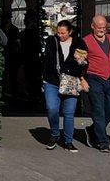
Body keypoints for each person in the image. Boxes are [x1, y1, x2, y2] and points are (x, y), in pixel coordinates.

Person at [42, 20, 89, 152]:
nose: (60, 35)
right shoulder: (52, 41)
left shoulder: (79, 43)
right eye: (58, 32)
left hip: (71, 81)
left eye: (63, 33)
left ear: (70, 32)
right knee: (52, 108)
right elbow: (47, 59)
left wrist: (80, 63)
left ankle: (68, 141)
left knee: (69, 113)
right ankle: (55, 134)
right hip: (52, 81)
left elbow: (84, 63)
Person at [82, 15, 110, 153]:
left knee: (109, 111)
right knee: (98, 110)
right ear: (93, 26)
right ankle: (103, 142)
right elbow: (80, 63)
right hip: (94, 78)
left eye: (104, 27)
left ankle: (92, 129)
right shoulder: (85, 41)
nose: (102, 30)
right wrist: (82, 79)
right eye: (99, 27)